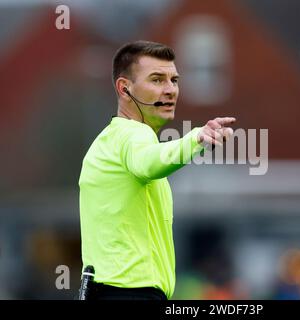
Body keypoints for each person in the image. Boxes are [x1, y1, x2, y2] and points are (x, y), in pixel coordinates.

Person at [78, 40, 235, 300]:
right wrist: (196, 139)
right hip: (129, 294)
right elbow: (149, 162)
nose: (171, 89)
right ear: (125, 89)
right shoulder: (131, 136)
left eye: (174, 80)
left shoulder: (111, 140)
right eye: (157, 79)